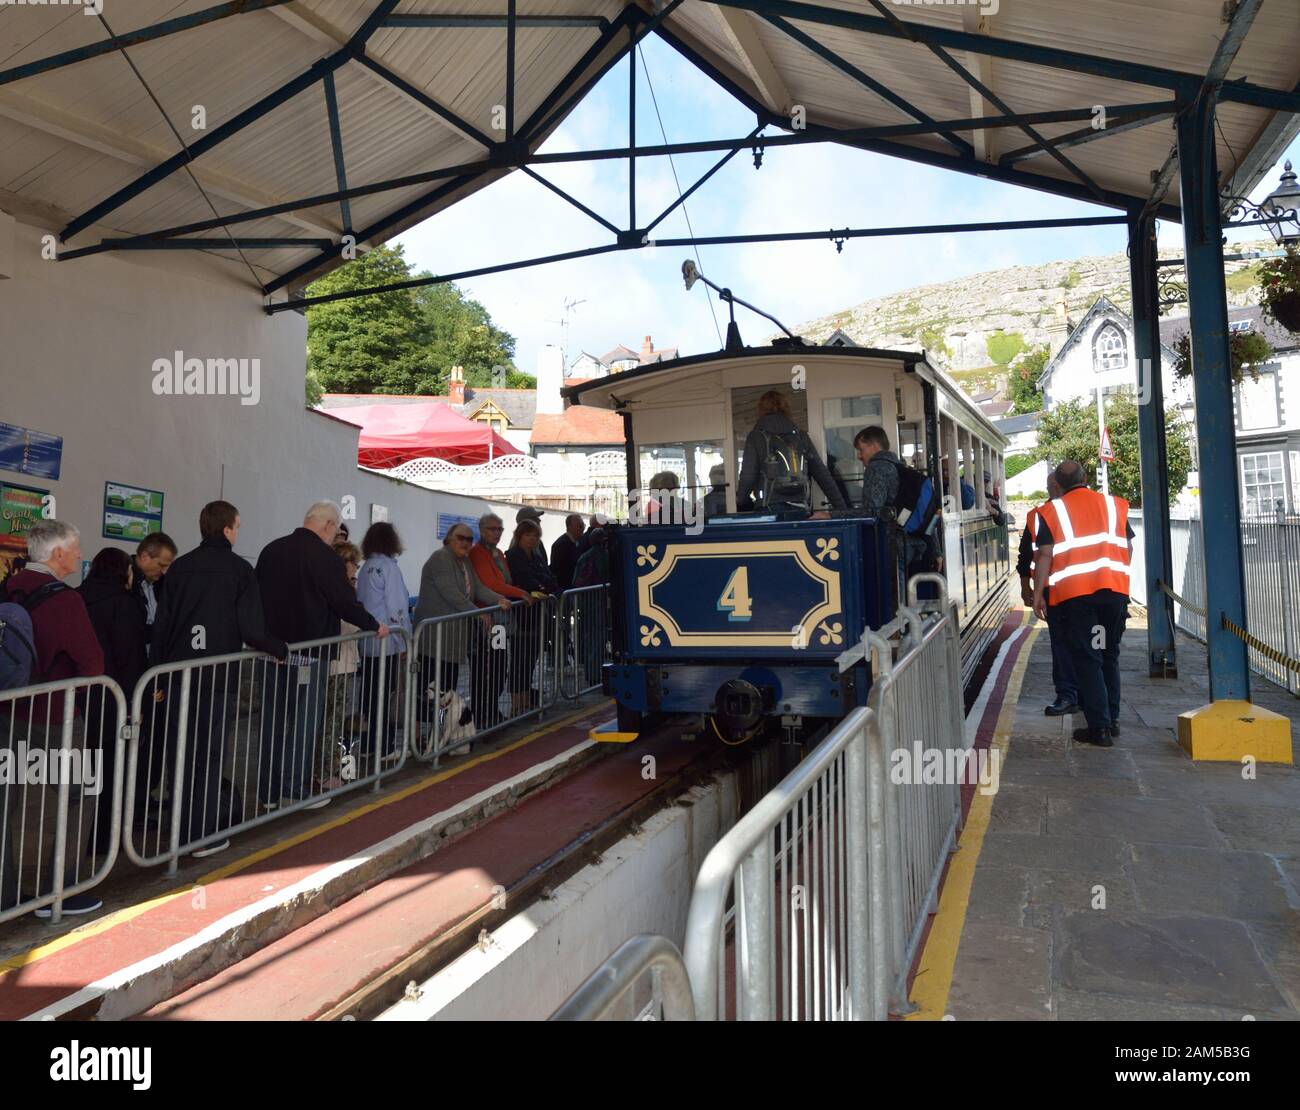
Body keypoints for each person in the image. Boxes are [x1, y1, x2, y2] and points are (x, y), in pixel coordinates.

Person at [151, 501, 287, 858]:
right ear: (227, 529)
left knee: (178, 754)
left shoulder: (179, 569)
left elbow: (162, 626)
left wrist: (157, 678)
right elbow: (251, 628)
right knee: (209, 756)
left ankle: (178, 830)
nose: (238, 531)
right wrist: (278, 648)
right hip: (218, 677)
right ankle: (203, 834)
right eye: (238, 526)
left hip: (177, 674)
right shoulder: (241, 570)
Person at [1, 520, 105, 917]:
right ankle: (60, 890)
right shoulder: (66, 601)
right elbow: (92, 664)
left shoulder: (8, 586)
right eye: (76, 549)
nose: (80, 556)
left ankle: (4, 896)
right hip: (52, 716)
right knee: (81, 794)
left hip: (4, 713)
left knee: (4, 800)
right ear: (58, 554)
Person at [255, 501, 386, 810]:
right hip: (310, 653)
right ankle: (293, 787)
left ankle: (268, 793)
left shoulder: (271, 550)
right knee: (303, 722)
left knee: (272, 723)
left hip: (269, 651)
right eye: (335, 530)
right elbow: (343, 602)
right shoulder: (324, 557)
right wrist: (373, 624)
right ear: (328, 526)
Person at [1031, 460, 1134, 748]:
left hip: (1078, 597)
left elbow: (1045, 555)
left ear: (1058, 485)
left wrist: (1039, 593)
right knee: (1108, 654)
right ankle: (1112, 721)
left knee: (1089, 658)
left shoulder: (1053, 511)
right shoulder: (1115, 505)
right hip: (1113, 594)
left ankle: (1099, 727)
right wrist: (1119, 578)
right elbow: (1128, 547)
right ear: (1085, 477)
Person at [79, 547, 149, 851]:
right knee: (111, 770)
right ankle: (103, 839)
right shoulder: (124, 604)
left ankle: (80, 836)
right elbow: (130, 657)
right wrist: (137, 703)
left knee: (85, 772)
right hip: (114, 699)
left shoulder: (77, 597)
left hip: (80, 699)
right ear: (124, 572)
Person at [414, 524, 510, 746]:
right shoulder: (440, 558)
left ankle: (439, 737)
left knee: (447, 690)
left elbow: (477, 588)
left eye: (469, 538)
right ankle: (419, 738)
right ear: (449, 538)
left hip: (453, 639)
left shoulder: (464, 562)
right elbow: (452, 593)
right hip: (433, 639)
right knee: (427, 691)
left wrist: (498, 599)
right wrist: (479, 613)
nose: (465, 542)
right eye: (461, 538)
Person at [1018, 474, 1079, 717]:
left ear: (1057, 486)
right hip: (1059, 591)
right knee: (1065, 645)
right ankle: (1071, 694)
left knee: (1072, 646)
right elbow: (1026, 556)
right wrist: (1028, 588)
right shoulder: (1038, 515)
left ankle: (1075, 695)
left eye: (1050, 486)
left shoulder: (1047, 514)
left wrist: (1035, 591)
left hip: (1071, 592)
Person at [853, 426, 939, 589]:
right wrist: (936, 551)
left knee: (892, 597)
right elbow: (929, 513)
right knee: (905, 593)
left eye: (860, 449)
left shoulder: (876, 468)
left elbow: (870, 511)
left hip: (892, 543)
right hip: (914, 541)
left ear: (874, 445)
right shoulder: (901, 468)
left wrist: (831, 515)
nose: (859, 455)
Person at [736, 390, 847, 514]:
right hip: (799, 505)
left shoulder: (756, 437)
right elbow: (822, 475)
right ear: (786, 409)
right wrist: (841, 508)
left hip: (768, 507)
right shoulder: (801, 436)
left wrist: (742, 502)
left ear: (761, 409)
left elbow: (747, 476)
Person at [355, 523, 412, 763]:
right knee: (385, 696)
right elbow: (397, 607)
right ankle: (385, 747)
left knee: (369, 695)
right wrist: (405, 640)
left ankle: (369, 745)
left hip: (366, 642)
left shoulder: (366, 567)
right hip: (386, 641)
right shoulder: (388, 568)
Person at [469, 514, 533, 727]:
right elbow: (490, 583)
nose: (496, 533)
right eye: (491, 529)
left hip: (501, 620)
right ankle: (484, 713)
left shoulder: (497, 553)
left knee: (498, 666)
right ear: (482, 530)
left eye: (499, 529)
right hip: (487, 619)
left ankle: (492, 710)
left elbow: (503, 581)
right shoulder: (478, 553)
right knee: (488, 668)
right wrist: (520, 592)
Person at [321, 541, 362, 787]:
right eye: (354, 564)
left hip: (342, 661)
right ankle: (326, 772)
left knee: (333, 720)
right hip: (339, 663)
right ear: (344, 563)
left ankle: (330, 768)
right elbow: (350, 624)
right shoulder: (340, 590)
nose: (356, 569)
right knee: (332, 721)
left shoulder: (340, 587)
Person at [506, 519, 558, 714]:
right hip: (521, 617)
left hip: (538, 616)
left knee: (530, 661)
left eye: (535, 535)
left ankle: (526, 702)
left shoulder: (536, 557)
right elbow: (524, 580)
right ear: (519, 536)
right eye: (528, 535)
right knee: (519, 661)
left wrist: (543, 588)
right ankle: (516, 704)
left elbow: (549, 578)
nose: (532, 539)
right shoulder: (513, 556)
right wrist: (540, 588)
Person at [571, 527, 612, 690]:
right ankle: (595, 674)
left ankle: (591, 672)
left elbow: (575, 580)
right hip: (598, 599)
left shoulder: (584, 556)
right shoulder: (604, 556)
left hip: (584, 600)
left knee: (589, 637)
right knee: (598, 637)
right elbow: (607, 575)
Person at [131, 532, 176, 656]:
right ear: (144, 557)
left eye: (167, 567)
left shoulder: (162, 584)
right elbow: (131, 630)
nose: (164, 572)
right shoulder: (123, 580)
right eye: (161, 565)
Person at [550, 514, 586, 592]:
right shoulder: (561, 544)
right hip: (565, 589)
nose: (583, 528)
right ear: (570, 527)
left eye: (583, 525)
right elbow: (557, 569)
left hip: (572, 588)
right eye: (580, 526)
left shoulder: (577, 542)